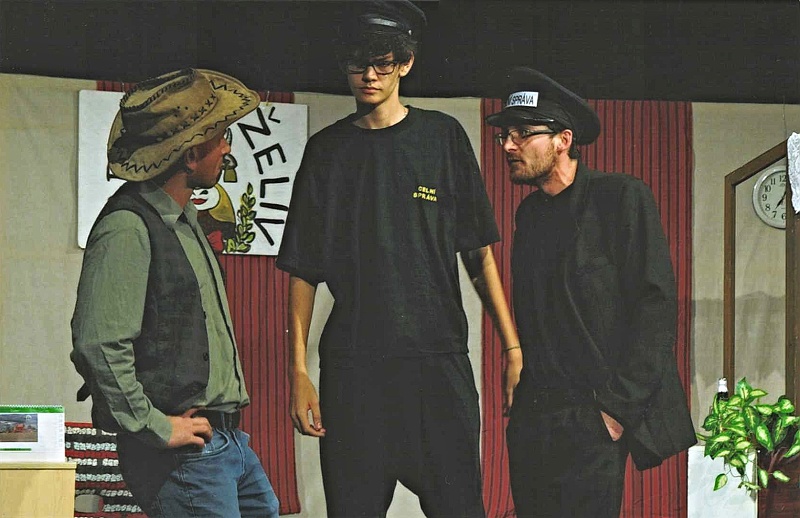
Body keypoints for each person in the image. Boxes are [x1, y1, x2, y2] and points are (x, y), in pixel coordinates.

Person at [276, 2, 521, 517]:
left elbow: (479, 255)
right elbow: (303, 270)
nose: (369, 75)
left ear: (405, 63)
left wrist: (512, 346)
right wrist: (297, 371)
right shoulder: (326, 153)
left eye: (382, 63)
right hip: (354, 370)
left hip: (437, 365)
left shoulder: (442, 138)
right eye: (358, 63)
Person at [485, 66, 697, 518]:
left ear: (563, 139)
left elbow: (656, 308)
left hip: (593, 418)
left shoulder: (620, 198)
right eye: (505, 135)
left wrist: (615, 413)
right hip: (535, 419)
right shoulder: (530, 216)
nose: (508, 146)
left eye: (523, 134)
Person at [71, 68, 280, 518]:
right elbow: (99, 343)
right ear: (190, 154)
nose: (226, 149)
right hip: (182, 456)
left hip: (224, 442)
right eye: (220, 137)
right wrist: (154, 426)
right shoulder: (128, 227)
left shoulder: (185, 222)